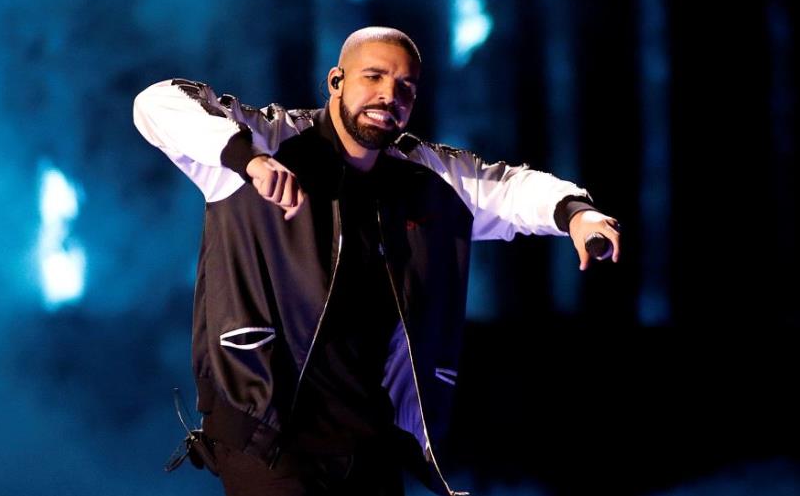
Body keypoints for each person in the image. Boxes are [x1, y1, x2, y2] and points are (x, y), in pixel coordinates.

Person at [133, 26, 620, 496]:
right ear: (336, 81)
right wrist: (248, 159)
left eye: (405, 85)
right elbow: (157, 103)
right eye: (374, 76)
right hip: (266, 432)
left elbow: (512, 187)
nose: (390, 94)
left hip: (368, 440)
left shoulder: (425, 177)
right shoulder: (269, 142)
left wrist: (576, 215)